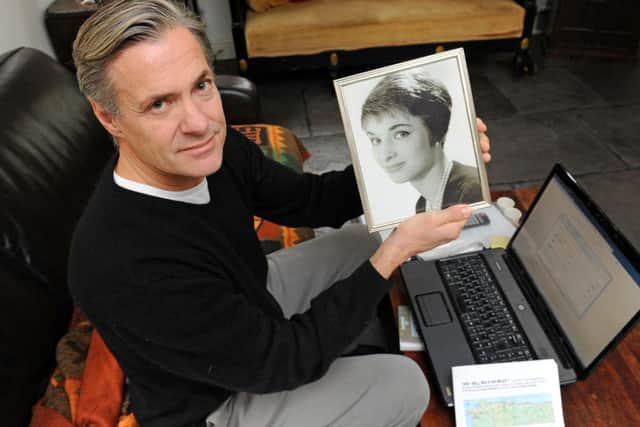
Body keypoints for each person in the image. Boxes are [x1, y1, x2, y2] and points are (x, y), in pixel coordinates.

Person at [68, 1, 491, 426]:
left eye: (201, 86)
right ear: (109, 117)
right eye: (160, 104)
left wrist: (421, 161)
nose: (199, 122)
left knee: (371, 234)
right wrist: (390, 258)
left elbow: (310, 199)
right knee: (404, 384)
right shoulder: (123, 264)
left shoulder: (215, 149)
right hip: (212, 402)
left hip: (247, 300)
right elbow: (282, 363)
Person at [361, 70, 486, 213]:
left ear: (437, 130)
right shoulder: (423, 205)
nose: (385, 154)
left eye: (401, 134)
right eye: (376, 139)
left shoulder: (473, 191)